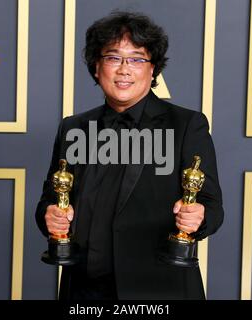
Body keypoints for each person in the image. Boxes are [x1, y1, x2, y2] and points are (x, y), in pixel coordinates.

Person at [35, 11, 223, 300]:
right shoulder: (73, 127)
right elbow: (50, 200)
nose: (124, 69)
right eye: (113, 57)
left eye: (136, 59)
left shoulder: (186, 125)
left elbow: (211, 206)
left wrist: (198, 217)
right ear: (96, 68)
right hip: (84, 291)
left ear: (153, 70)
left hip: (159, 289)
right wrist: (50, 216)